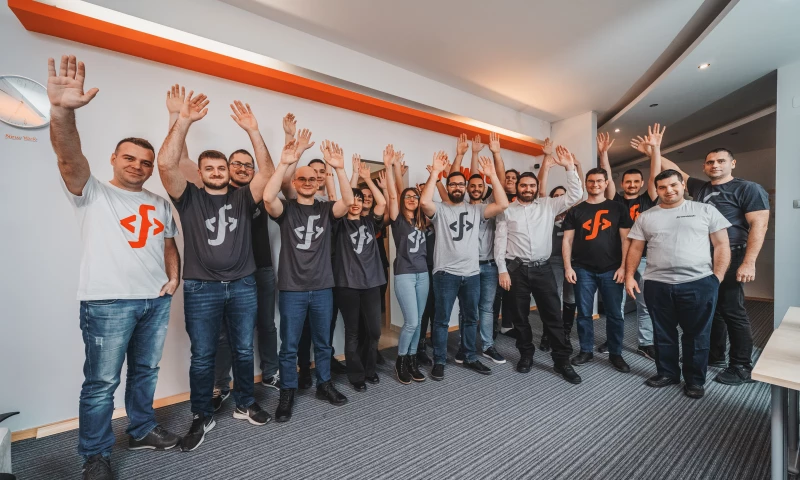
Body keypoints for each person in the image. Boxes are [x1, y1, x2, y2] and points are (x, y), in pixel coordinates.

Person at [48, 55, 181, 480]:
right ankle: (95, 455)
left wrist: (174, 276)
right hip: (107, 303)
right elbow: (68, 158)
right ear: (113, 158)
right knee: (102, 384)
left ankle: (141, 430)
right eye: (129, 158)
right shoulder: (92, 192)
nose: (138, 166)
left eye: (145, 162)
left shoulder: (159, 202)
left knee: (145, 372)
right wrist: (62, 112)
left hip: (154, 302)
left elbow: (168, 242)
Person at [157, 91, 273, 450]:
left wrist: (253, 131)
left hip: (242, 285)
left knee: (243, 349)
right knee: (203, 355)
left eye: (221, 168)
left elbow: (267, 173)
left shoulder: (243, 197)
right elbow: (166, 165)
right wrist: (183, 120)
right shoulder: (188, 197)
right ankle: (201, 414)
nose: (217, 172)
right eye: (209, 168)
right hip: (201, 289)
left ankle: (244, 403)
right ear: (200, 173)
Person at [636, 138, 769, 386]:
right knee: (712, 311)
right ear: (704, 166)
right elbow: (675, 172)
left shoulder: (748, 188)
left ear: (732, 163)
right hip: (703, 255)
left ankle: (741, 366)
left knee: (732, 310)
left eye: (721, 161)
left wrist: (749, 261)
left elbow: (759, 225)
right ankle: (714, 355)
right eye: (710, 162)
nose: (715, 165)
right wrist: (654, 151)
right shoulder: (700, 187)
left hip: (732, 252)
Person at [263, 138, 355, 422]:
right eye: (301, 178)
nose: (307, 182)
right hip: (292, 289)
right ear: (295, 182)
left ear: (318, 183)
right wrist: (284, 163)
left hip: (322, 287)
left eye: (312, 179)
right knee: (289, 345)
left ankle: (324, 385)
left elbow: (348, 202)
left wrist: (339, 169)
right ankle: (287, 392)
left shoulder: (326, 209)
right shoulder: (286, 209)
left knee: (323, 343)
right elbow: (267, 198)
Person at [626, 156, 731, 399]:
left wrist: (716, 277)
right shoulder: (646, 216)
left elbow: (722, 244)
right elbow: (635, 248)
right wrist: (630, 275)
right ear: (657, 190)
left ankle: (694, 380)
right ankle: (667, 373)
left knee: (697, 335)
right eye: (662, 187)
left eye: (673, 185)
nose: (668, 190)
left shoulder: (704, 210)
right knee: (663, 333)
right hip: (657, 285)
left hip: (698, 283)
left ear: (683, 185)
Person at [495, 145, 583, 384]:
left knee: (553, 315)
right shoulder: (506, 210)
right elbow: (499, 242)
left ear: (536, 187)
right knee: (520, 317)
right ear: (517, 188)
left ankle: (561, 361)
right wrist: (502, 270)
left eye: (532, 186)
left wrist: (569, 167)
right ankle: (526, 354)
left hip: (543, 269)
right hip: (516, 270)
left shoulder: (548, 205)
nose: (528, 189)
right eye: (524, 185)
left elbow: (576, 195)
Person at [420, 150, 509, 380]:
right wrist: (435, 173)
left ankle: (469, 356)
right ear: (448, 187)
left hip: (471, 275)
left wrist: (492, 176)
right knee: (441, 320)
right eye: (453, 184)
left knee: (471, 318)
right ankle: (440, 360)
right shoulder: (440, 209)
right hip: (445, 274)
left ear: (466, 188)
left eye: (461, 184)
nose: (458, 187)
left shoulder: (477, 209)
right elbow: (424, 202)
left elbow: (503, 204)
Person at [562, 166, 633, 374]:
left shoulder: (618, 208)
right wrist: (568, 267)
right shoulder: (576, 210)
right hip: (582, 269)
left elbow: (626, 240)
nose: (595, 184)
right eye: (591, 181)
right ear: (586, 184)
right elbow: (567, 240)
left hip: (612, 269)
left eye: (599, 181)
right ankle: (586, 350)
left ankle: (616, 353)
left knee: (615, 314)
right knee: (584, 313)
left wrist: (624, 267)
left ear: (606, 183)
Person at [596, 131, 657, 360]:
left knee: (645, 303)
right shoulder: (616, 201)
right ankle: (614, 340)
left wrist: (654, 151)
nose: (631, 185)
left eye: (635, 182)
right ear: (622, 184)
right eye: (627, 182)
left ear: (641, 183)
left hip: (644, 258)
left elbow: (655, 175)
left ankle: (646, 343)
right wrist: (603, 154)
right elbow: (607, 179)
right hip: (618, 258)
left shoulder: (648, 199)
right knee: (616, 304)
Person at [448, 134, 505, 364]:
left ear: (485, 189)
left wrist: (495, 154)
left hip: (489, 265)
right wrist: (468, 154)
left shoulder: (489, 205)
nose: (476, 188)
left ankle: (488, 346)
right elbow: (455, 180)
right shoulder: (460, 206)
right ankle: (465, 346)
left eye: (480, 186)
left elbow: (499, 181)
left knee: (487, 308)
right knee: (466, 309)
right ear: (466, 189)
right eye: (472, 186)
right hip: (468, 267)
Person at [333, 154, 387, 391]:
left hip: (372, 283)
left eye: (359, 199)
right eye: (352, 199)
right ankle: (356, 375)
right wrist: (349, 174)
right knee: (353, 332)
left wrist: (368, 179)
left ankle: (369, 369)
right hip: (347, 286)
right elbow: (345, 199)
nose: (355, 202)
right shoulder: (338, 223)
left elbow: (381, 204)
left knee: (374, 331)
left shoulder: (370, 222)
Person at [383, 148, 430, 384]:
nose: (411, 199)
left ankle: (412, 360)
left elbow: (422, 198)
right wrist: (390, 167)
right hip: (405, 275)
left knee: (419, 321)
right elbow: (393, 197)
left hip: (423, 274)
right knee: (411, 321)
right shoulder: (397, 219)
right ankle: (401, 361)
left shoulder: (422, 219)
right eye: (408, 197)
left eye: (415, 197)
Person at [536, 141, 582, 352]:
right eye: (556, 197)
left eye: (562, 197)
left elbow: (578, 193)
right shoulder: (546, 213)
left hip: (573, 263)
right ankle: (548, 334)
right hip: (553, 261)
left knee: (570, 298)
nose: (559, 200)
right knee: (553, 298)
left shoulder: (575, 215)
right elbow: (541, 190)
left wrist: (573, 166)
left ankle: (565, 334)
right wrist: (546, 160)